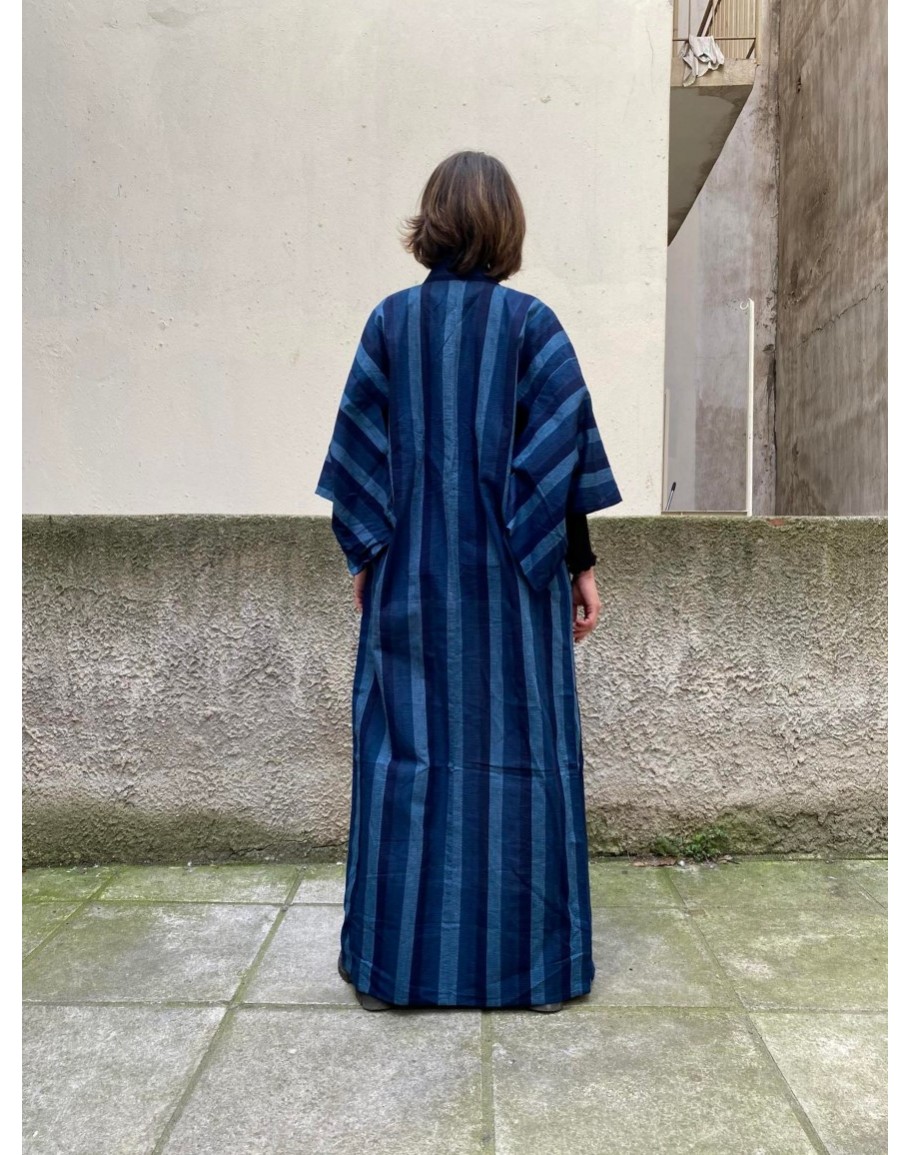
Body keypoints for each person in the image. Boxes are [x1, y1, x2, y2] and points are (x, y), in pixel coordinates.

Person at [315, 150, 622, 1012]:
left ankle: (396, 968)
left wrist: (367, 557)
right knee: (523, 755)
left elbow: (359, 458)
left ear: (433, 221)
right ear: (506, 226)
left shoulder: (390, 324)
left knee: (403, 758)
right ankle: (532, 968)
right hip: (513, 589)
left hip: (412, 583)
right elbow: (559, 459)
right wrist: (578, 565)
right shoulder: (534, 327)